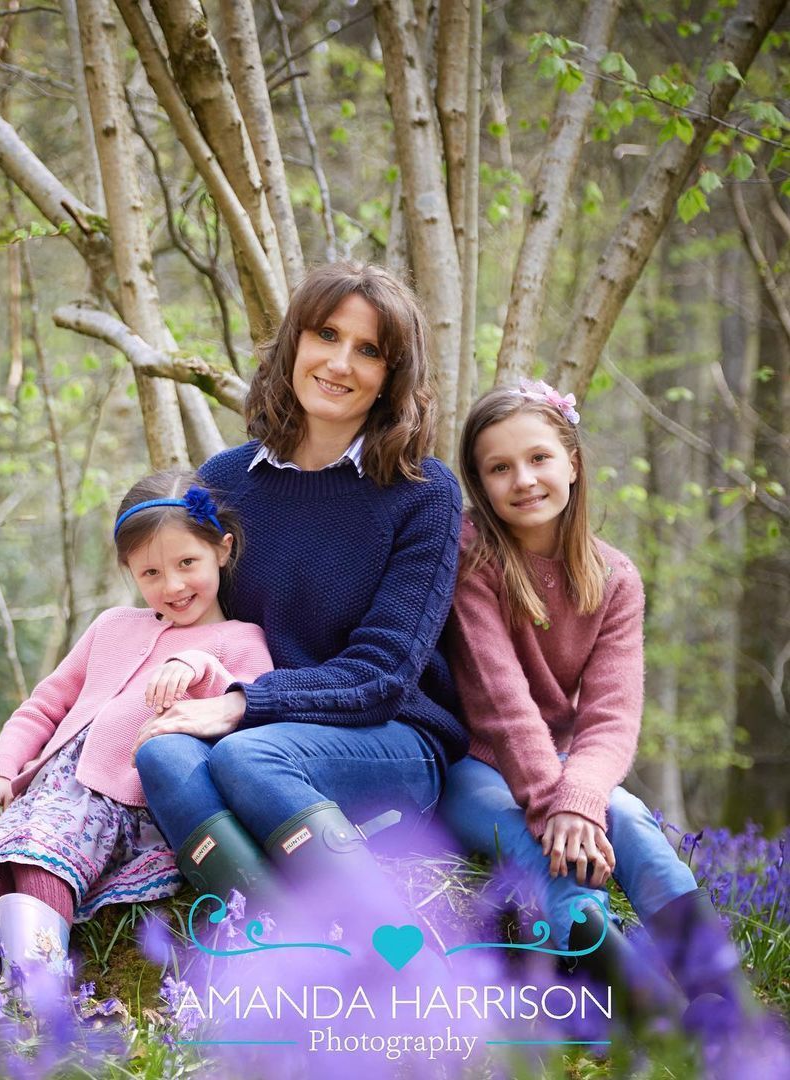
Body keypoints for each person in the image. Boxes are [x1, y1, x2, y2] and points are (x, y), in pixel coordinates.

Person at [131, 261, 467, 932]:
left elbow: (383, 674)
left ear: (391, 379)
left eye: (369, 350)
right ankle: (290, 953)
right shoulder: (221, 483)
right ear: (294, 345)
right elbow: (175, 601)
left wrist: (240, 706)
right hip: (258, 732)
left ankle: (402, 963)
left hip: (391, 740)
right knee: (161, 754)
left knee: (249, 755)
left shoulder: (425, 493)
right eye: (326, 334)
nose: (340, 362)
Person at [439, 379, 747, 1027]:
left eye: (539, 458)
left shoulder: (613, 578)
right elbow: (501, 702)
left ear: (573, 461)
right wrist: (558, 808)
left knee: (630, 820)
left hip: (560, 757)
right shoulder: (474, 558)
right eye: (499, 468)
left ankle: (718, 995)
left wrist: (578, 797)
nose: (523, 479)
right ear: (479, 482)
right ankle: (625, 988)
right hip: (471, 763)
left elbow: (611, 715)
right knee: (535, 837)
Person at [0, 472, 273, 993]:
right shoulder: (112, 627)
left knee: (42, 845)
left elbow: (249, 705)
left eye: (187, 563)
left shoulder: (240, 640)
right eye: (150, 572)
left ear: (222, 548)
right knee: (5, 851)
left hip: (121, 804)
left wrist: (200, 666)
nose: (172, 586)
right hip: (51, 789)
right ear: (130, 572)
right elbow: (43, 706)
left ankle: (37, 982)